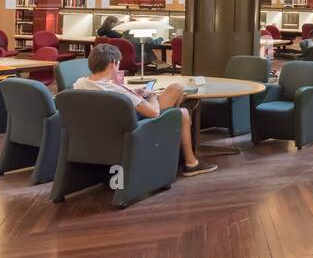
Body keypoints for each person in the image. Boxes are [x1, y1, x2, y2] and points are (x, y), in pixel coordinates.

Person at [75, 44, 215, 176]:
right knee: (181, 109)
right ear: (113, 64)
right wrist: (151, 96)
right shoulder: (120, 92)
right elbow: (154, 113)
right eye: (118, 64)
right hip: (135, 129)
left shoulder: (79, 84)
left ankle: (176, 133)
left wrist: (135, 93)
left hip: (102, 131)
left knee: (175, 91)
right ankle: (191, 162)